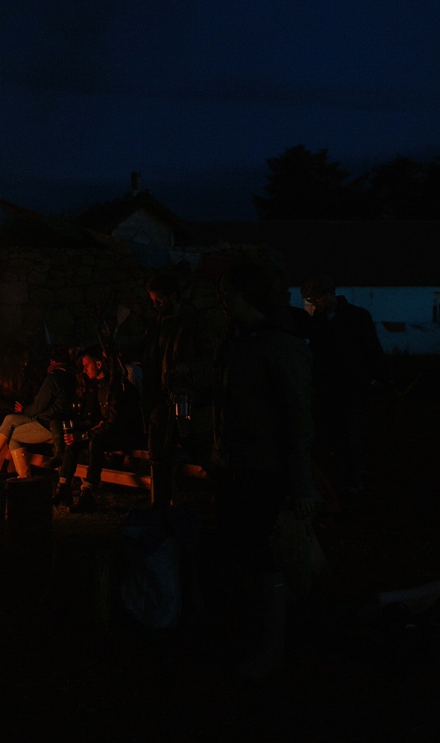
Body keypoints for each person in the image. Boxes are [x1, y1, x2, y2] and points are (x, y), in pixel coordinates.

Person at [215, 259, 318, 678]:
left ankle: (273, 646)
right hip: (237, 464)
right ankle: (263, 624)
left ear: (246, 295)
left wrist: (302, 483)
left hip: (265, 467)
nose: (221, 299)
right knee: (242, 548)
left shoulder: (279, 344)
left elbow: (298, 416)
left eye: (227, 291)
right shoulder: (241, 340)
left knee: (258, 552)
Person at [301, 275, 385, 500]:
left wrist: (378, 378)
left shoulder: (357, 317)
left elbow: (372, 350)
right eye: (311, 299)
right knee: (333, 437)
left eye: (316, 297)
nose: (315, 303)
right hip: (328, 390)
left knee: (353, 436)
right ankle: (340, 482)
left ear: (330, 293)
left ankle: (353, 481)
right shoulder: (316, 322)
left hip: (354, 389)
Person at [141, 272, 218, 508]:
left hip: (189, 402)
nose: (155, 305)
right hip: (162, 402)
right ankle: (160, 509)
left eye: (160, 300)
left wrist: (188, 368)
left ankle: (226, 499)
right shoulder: (156, 326)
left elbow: (211, 359)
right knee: (158, 457)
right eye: (153, 301)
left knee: (203, 452)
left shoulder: (195, 322)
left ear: (173, 296)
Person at [0, 344, 77, 479]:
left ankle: (24, 477)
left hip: (47, 422)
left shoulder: (54, 378)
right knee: (10, 419)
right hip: (43, 417)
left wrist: (24, 409)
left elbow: (39, 405)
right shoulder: (67, 375)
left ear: (52, 361)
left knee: (13, 435)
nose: (26, 363)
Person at [58, 349, 142, 511]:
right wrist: (78, 431)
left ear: (98, 364)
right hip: (109, 430)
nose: (84, 370)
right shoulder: (97, 386)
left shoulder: (117, 386)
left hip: (127, 434)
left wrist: (84, 434)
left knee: (95, 441)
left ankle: (88, 493)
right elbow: (95, 418)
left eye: (86, 365)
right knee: (72, 440)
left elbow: (114, 423)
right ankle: (63, 487)